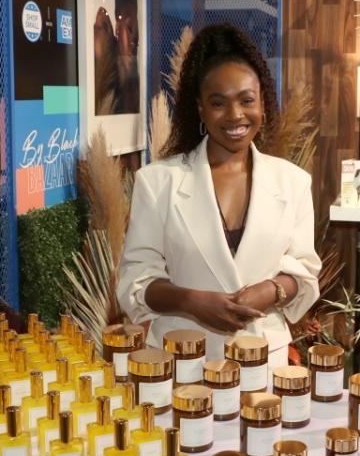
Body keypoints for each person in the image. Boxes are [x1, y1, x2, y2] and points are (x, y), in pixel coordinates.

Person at [116, 23, 321, 365]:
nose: (236, 115)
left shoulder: (293, 182)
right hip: (181, 360)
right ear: (200, 110)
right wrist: (190, 302)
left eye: (246, 101)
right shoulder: (157, 182)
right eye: (218, 103)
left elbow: (304, 273)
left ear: (263, 104)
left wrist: (271, 291)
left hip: (262, 363)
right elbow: (136, 281)